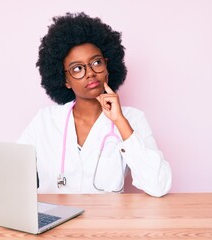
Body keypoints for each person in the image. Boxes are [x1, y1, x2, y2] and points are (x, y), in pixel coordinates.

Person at [17, 12, 172, 197]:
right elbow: (11, 172)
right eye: (77, 68)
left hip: (106, 223)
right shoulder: (45, 121)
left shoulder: (132, 118)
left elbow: (158, 185)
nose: (90, 73)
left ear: (107, 67)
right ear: (65, 80)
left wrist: (120, 121)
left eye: (96, 62)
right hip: (54, 222)